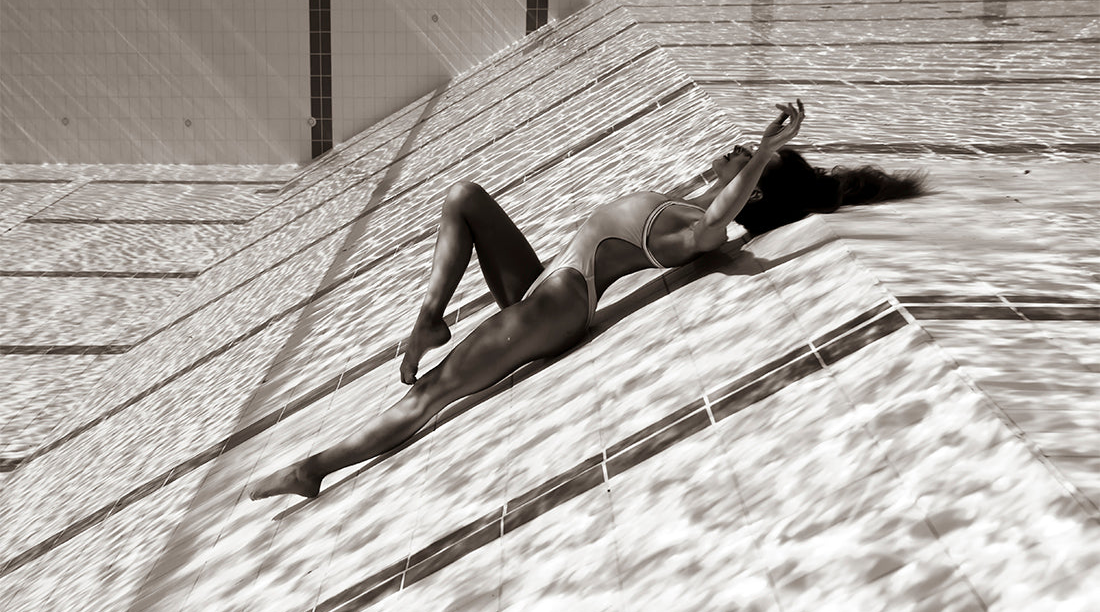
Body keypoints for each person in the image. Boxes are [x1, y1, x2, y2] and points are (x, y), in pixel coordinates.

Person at [250, 101, 923, 500]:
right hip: (547, 280)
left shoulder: (696, 230)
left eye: (740, 156)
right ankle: (430, 316)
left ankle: (317, 466)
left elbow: (718, 225)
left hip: (561, 305)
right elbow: (717, 206)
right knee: (463, 197)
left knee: (430, 396)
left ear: (752, 189)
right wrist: (759, 159)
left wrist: (766, 152)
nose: (728, 151)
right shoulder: (686, 205)